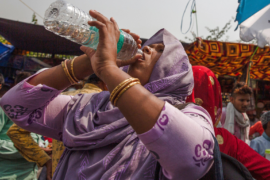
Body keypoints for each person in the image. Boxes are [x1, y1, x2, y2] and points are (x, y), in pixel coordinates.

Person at [0, 10, 215, 180]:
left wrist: (109, 70)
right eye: (149, 46)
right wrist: (87, 63)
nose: (148, 49)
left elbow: (192, 160)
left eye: (159, 51)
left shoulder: (190, 114)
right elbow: (15, 105)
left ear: (173, 74)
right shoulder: (92, 108)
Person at [186, 66, 270, 180]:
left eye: (247, 100)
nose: (245, 104)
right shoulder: (222, 127)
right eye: (241, 100)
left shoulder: (162, 128)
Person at [52, 73, 105, 175]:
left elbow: (17, 130)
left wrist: (43, 160)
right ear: (104, 83)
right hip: (89, 171)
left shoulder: (62, 97)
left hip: (59, 169)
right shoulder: (106, 102)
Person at [0, 72, 46, 180]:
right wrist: (30, 150)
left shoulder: (36, 107)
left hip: (30, 174)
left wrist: (43, 146)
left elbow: (36, 138)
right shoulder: (4, 105)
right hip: (6, 174)